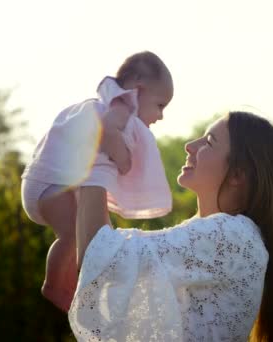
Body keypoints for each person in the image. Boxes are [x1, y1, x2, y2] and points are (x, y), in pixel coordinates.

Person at [70, 111, 273, 341]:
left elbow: (99, 255)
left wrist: (100, 154)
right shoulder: (214, 235)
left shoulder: (233, 236)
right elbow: (103, 258)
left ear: (237, 174)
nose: (189, 145)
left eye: (208, 141)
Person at [20, 51, 174, 312]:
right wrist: (124, 160)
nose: (160, 116)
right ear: (138, 89)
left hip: (52, 184)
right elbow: (107, 134)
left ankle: (72, 283)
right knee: (71, 236)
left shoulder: (110, 102)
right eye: (160, 105)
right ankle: (53, 285)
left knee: (88, 234)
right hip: (49, 186)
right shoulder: (121, 106)